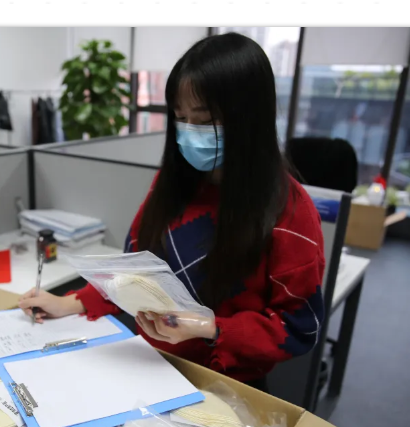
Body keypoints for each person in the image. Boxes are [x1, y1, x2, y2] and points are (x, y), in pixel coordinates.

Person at [19, 33, 325, 393]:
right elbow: (133, 273)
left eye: (205, 120)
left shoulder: (289, 211)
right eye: (181, 118)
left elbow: (299, 326)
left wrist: (210, 328)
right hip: (149, 365)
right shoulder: (172, 184)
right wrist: (68, 303)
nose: (190, 132)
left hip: (227, 384)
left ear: (250, 119)